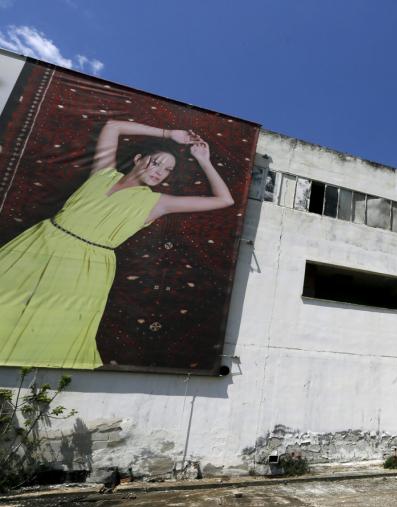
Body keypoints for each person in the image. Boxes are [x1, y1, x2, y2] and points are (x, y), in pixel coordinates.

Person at [0, 120, 235, 369]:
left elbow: (224, 199)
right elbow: (112, 126)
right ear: (137, 158)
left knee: (51, 327)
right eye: (156, 162)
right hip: (39, 242)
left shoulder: (158, 203)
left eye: (167, 170)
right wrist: (168, 134)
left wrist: (204, 160)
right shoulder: (102, 173)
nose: (159, 171)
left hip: (84, 267)